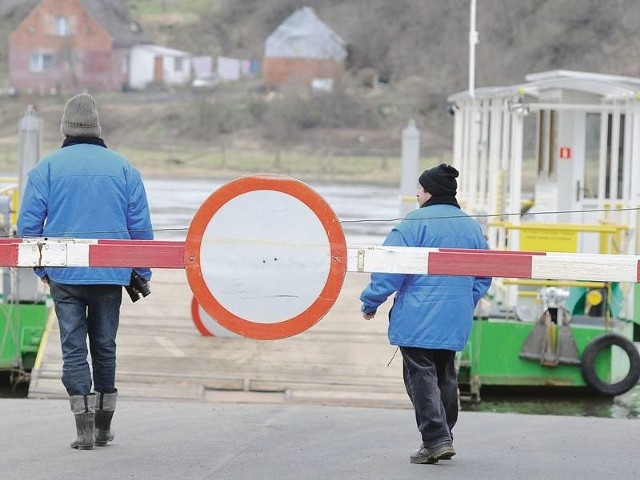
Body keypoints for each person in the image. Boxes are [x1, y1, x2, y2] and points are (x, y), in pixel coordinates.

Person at [17, 93, 153, 450]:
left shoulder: (46, 169)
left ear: (65, 128)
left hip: (65, 275)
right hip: (111, 273)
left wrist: (42, 269)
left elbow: (28, 228)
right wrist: (140, 272)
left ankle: (84, 431)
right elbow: (140, 228)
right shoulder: (124, 168)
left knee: (73, 350)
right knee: (105, 347)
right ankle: (105, 427)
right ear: (97, 126)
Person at [359, 163, 491, 464]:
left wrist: (371, 301)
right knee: (445, 374)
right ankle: (444, 435)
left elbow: (389, 268)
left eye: (419, 188)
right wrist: (464, 301)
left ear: (429, 191)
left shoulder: (413, 223)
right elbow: (485, 274)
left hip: (418, 317)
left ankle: (435, 439)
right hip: (454, 317)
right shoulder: (472, 227)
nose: (417, 194)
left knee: (420, 376)